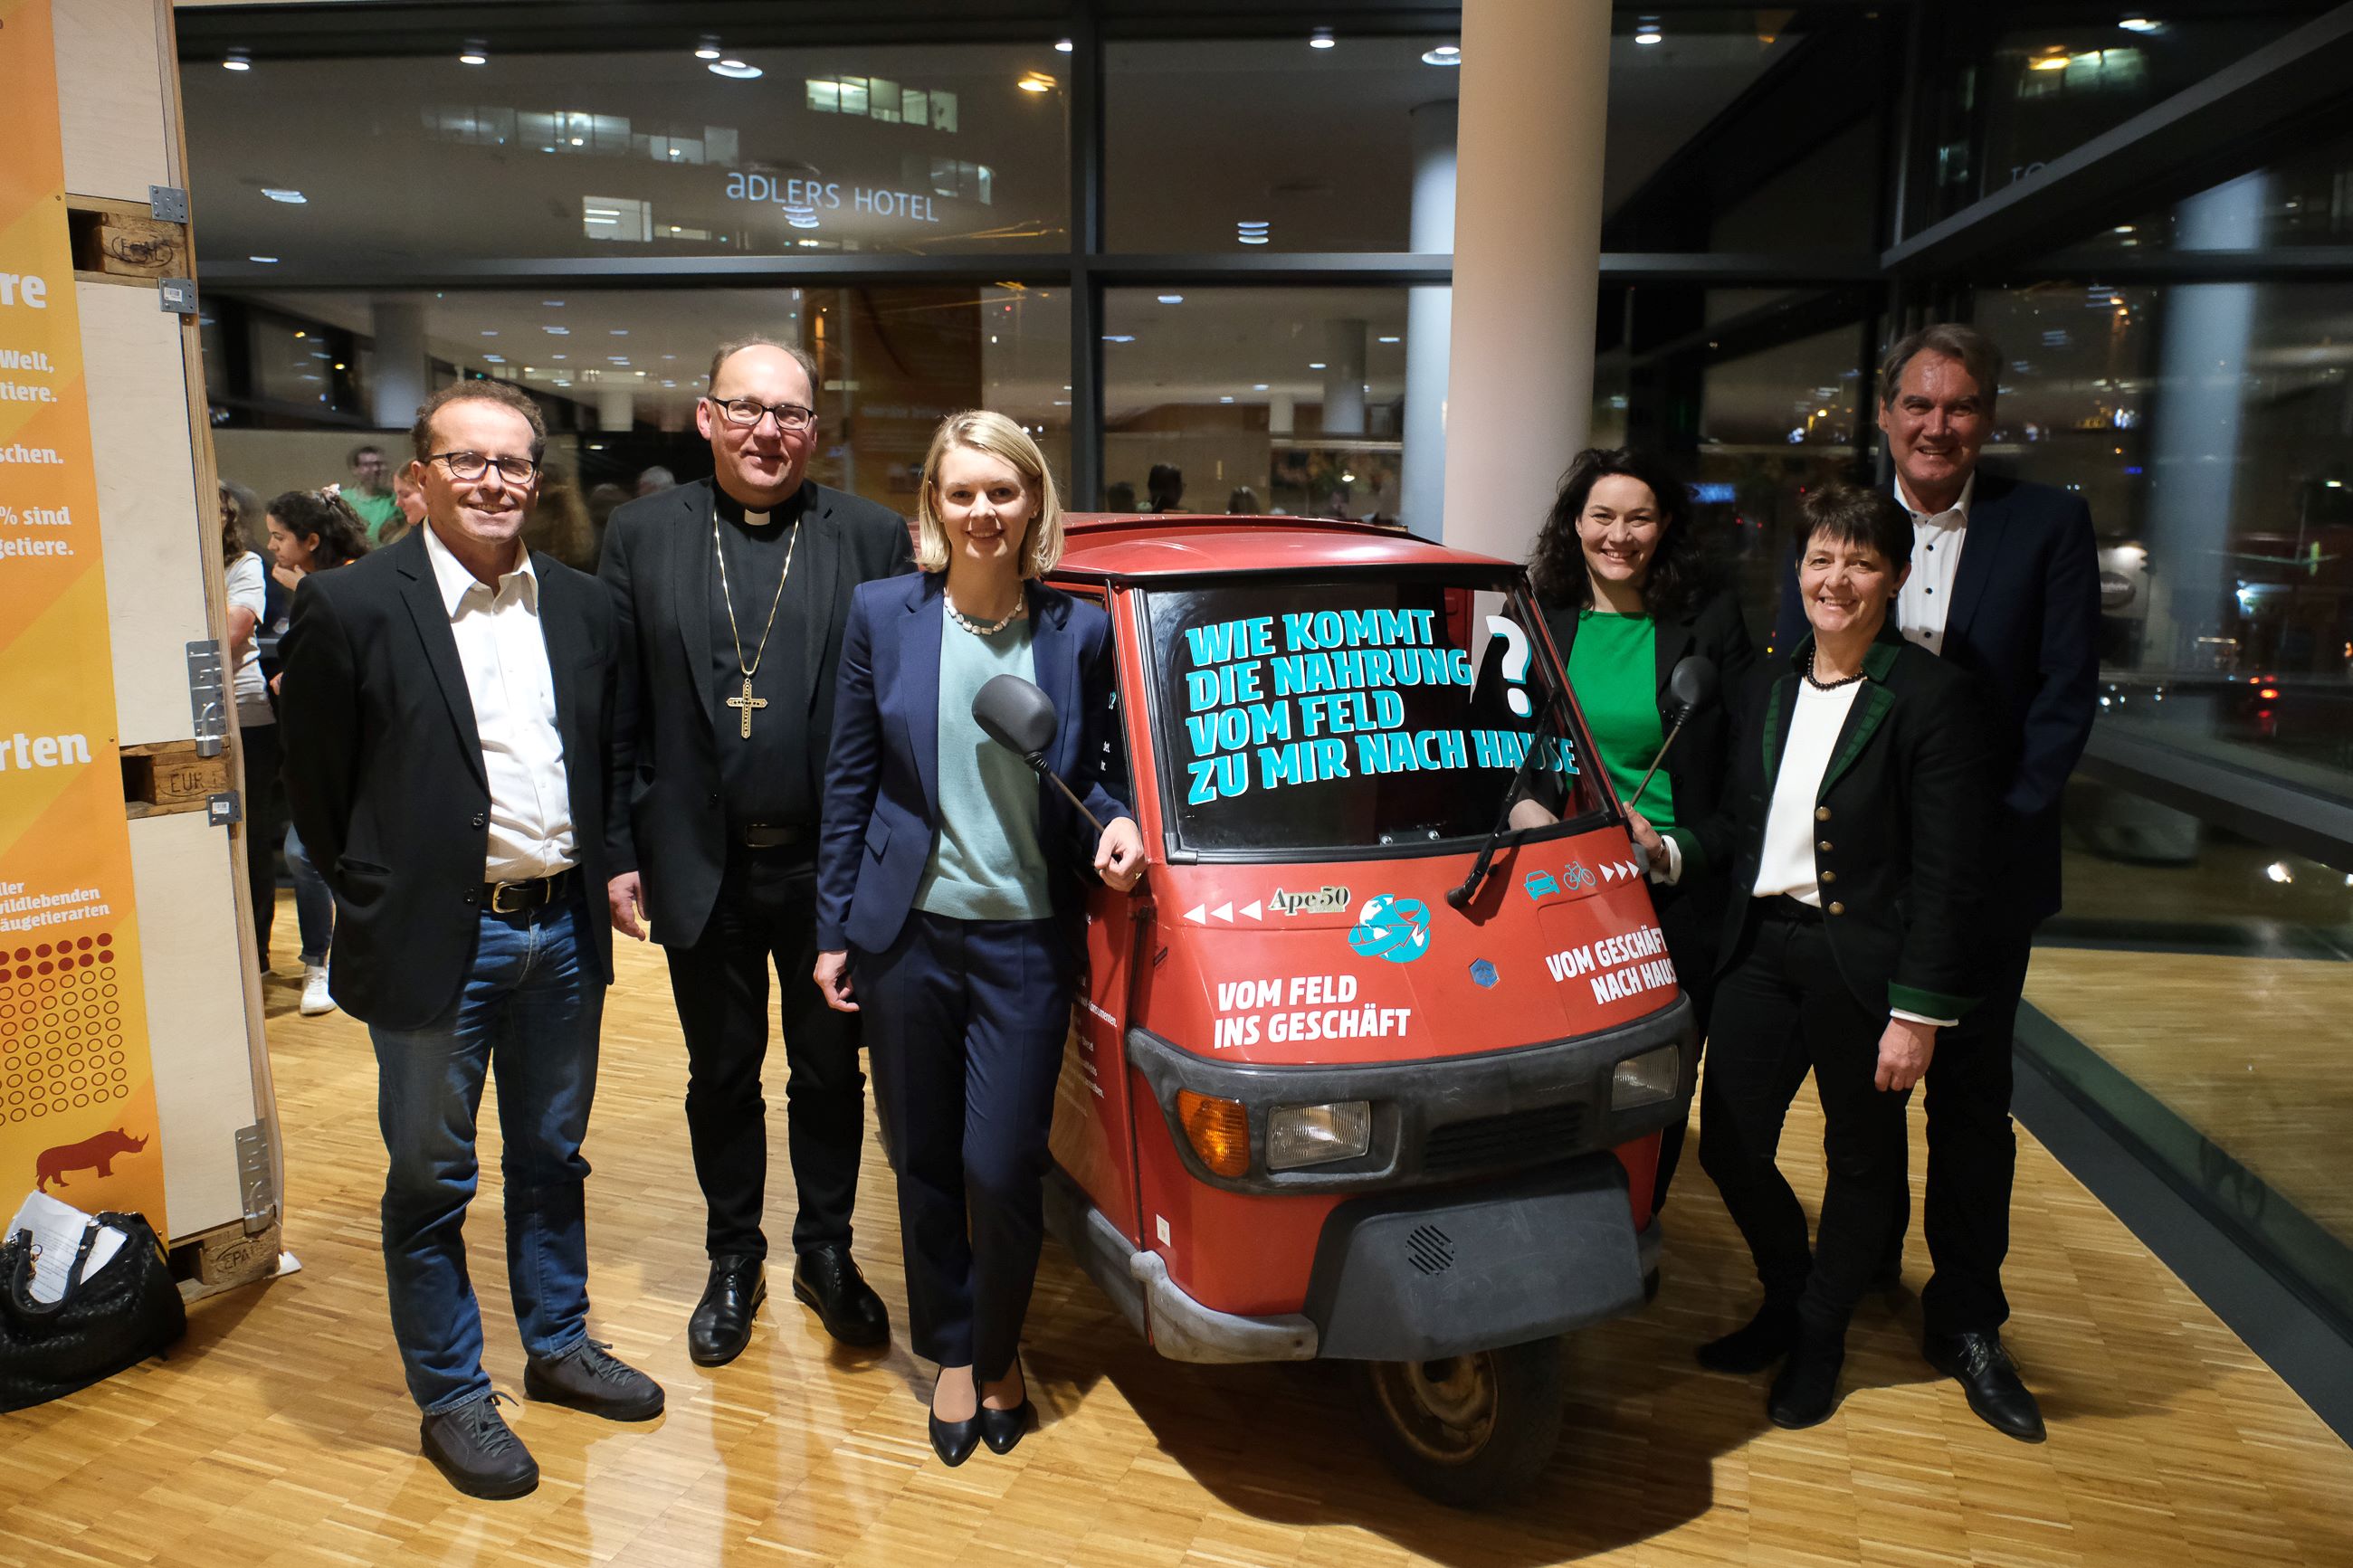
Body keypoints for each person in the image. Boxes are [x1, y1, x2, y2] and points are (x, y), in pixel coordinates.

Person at [279, 379, 656, 1500]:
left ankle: (558, 1342)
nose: (494, 479)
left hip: (563, 933)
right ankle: (452, 1394)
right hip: (442, 945)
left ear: (537, 481)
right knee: (432, 1179)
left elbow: (607, 760)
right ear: (416, 481)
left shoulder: (585, 609)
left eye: (513, 462)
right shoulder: (351, 607)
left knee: (553, 1157)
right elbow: (317, 783)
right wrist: (379, 896)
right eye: (467, 460)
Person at [1770, 323, 2098, 1441]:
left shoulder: (2044, 524)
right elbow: (1796, 683)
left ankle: (1964, 1315)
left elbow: (2061, 704)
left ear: (1984, 418)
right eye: (1917, 404)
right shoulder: (1837, 527)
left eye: (1957, 407)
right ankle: (1862, 1266)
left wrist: (1973, 849)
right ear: (1885, 413)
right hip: (1852, 880)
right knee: (1861, 1097)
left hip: (1981, 879)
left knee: (1968, 1102)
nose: (1935, 425)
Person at [814, 410, 1143, 1465]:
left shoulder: (1076, 631)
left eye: (1002, 490)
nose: (982, 511)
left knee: (1000, 1166)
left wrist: (1121, 817)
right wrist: (833, 929)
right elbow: (850, 778)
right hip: (905, 935)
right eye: (961, 492)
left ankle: (1000, 1342)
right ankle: (955, 1350)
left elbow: (1093, 770)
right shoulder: (882, 615)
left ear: (1033, 501)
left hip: (1023, 939)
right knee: (920, 1158)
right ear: (934, 507)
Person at [1633, 482, 1994, 1430]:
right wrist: (1666, 850)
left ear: (1896, 577)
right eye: (1819, 560)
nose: (1835, 580)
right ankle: (1791, 1293)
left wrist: (1915, 1011)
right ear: (1796, 573)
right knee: (1735, 1142)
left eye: (1859, 561)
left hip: (1861, 966)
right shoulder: (1764, 682)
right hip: (1759, 950)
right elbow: (1739, 826)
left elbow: (1950, 873)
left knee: (1860, 1158)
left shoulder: (1931, 697)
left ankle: (1822, 1335)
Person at [600, 337, 913, 1366]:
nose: (766, 431)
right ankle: (733, 1254)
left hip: (826, 869)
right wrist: (615, 847)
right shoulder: (641, 535)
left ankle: (826, 1251)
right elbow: (617, 712)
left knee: (829, 1073)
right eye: (745, 409)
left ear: (815, 429)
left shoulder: (869, 536)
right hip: (701, 861)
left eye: (787, 414)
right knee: (721, 1073)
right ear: (705, 417)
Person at [1528, 448, 1754, 1217]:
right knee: (1553, 1069)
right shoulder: (1541, 612)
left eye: (1639, 517)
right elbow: (1508, 753)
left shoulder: (1710, 621)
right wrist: (1531, 820)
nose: (1618, 535)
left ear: (1665, 529)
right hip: (1559, 887)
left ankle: (1633, 1224)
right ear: (1575, 525)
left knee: (1651, 1081)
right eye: (1602, 516)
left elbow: (1739, 785)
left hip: (1665, 890)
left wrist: (1669, 851)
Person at [263, 489, 370, 1017]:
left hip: (358, 748)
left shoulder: (342, 584)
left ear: (310, 540)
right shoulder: (298, 586)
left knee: (308, 853)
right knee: (304, 854)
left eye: (280, 536)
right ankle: (318, 961)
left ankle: (332, 958)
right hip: (320, 745)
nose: (272, 546)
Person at [221, 485, 282, 971]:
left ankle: (256, 956)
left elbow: (231, 631)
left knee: (251, 838)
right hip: (187, 718)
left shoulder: (243, 564)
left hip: (246, 718)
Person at [341, 442, 405, 543]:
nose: (375, 469)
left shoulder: (396, 500)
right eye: (367, 465)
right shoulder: (343, 500)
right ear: (355, 470)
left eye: (379, 464)